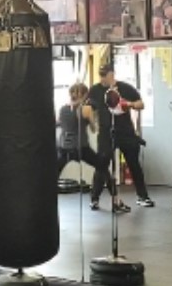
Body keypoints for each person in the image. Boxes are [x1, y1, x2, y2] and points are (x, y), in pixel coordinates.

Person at [88, 63, 152, 207]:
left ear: (112, 74)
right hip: (105, 132)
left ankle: (143, 196)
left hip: (126, 131)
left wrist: (127, 104)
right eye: (101, 75)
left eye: (105, 75)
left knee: (134, 164)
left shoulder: (125, 88)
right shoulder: (95, 90)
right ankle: (95, 199)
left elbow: (141, 104)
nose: (103, 78)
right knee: (102, 165)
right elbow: (88, 108)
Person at [57, 83, 122, 212]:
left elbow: (59, 123)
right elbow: (93, 129)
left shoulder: (62, 108)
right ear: (85, 94)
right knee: (103, 167)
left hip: (64, 147)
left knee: (53, 173)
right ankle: (115, 199)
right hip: (81, 147)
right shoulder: (86, 109)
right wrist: (91, 117)